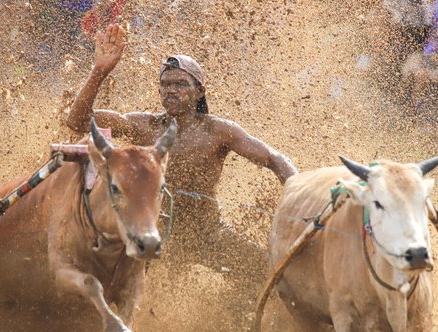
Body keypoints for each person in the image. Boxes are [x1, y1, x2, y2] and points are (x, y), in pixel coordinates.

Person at [65, 24, 298, 309]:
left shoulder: (218, 131)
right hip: (154, 233)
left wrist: (298, 191)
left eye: (179, 84)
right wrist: (100, 70)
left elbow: (275, 159)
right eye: (165, 85)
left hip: (208, 231)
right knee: (118, 287)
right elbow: (77, 122)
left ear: (199, 91)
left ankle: (237, 327)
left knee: (266, 274)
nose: (170, 91)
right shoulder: (144, 126)